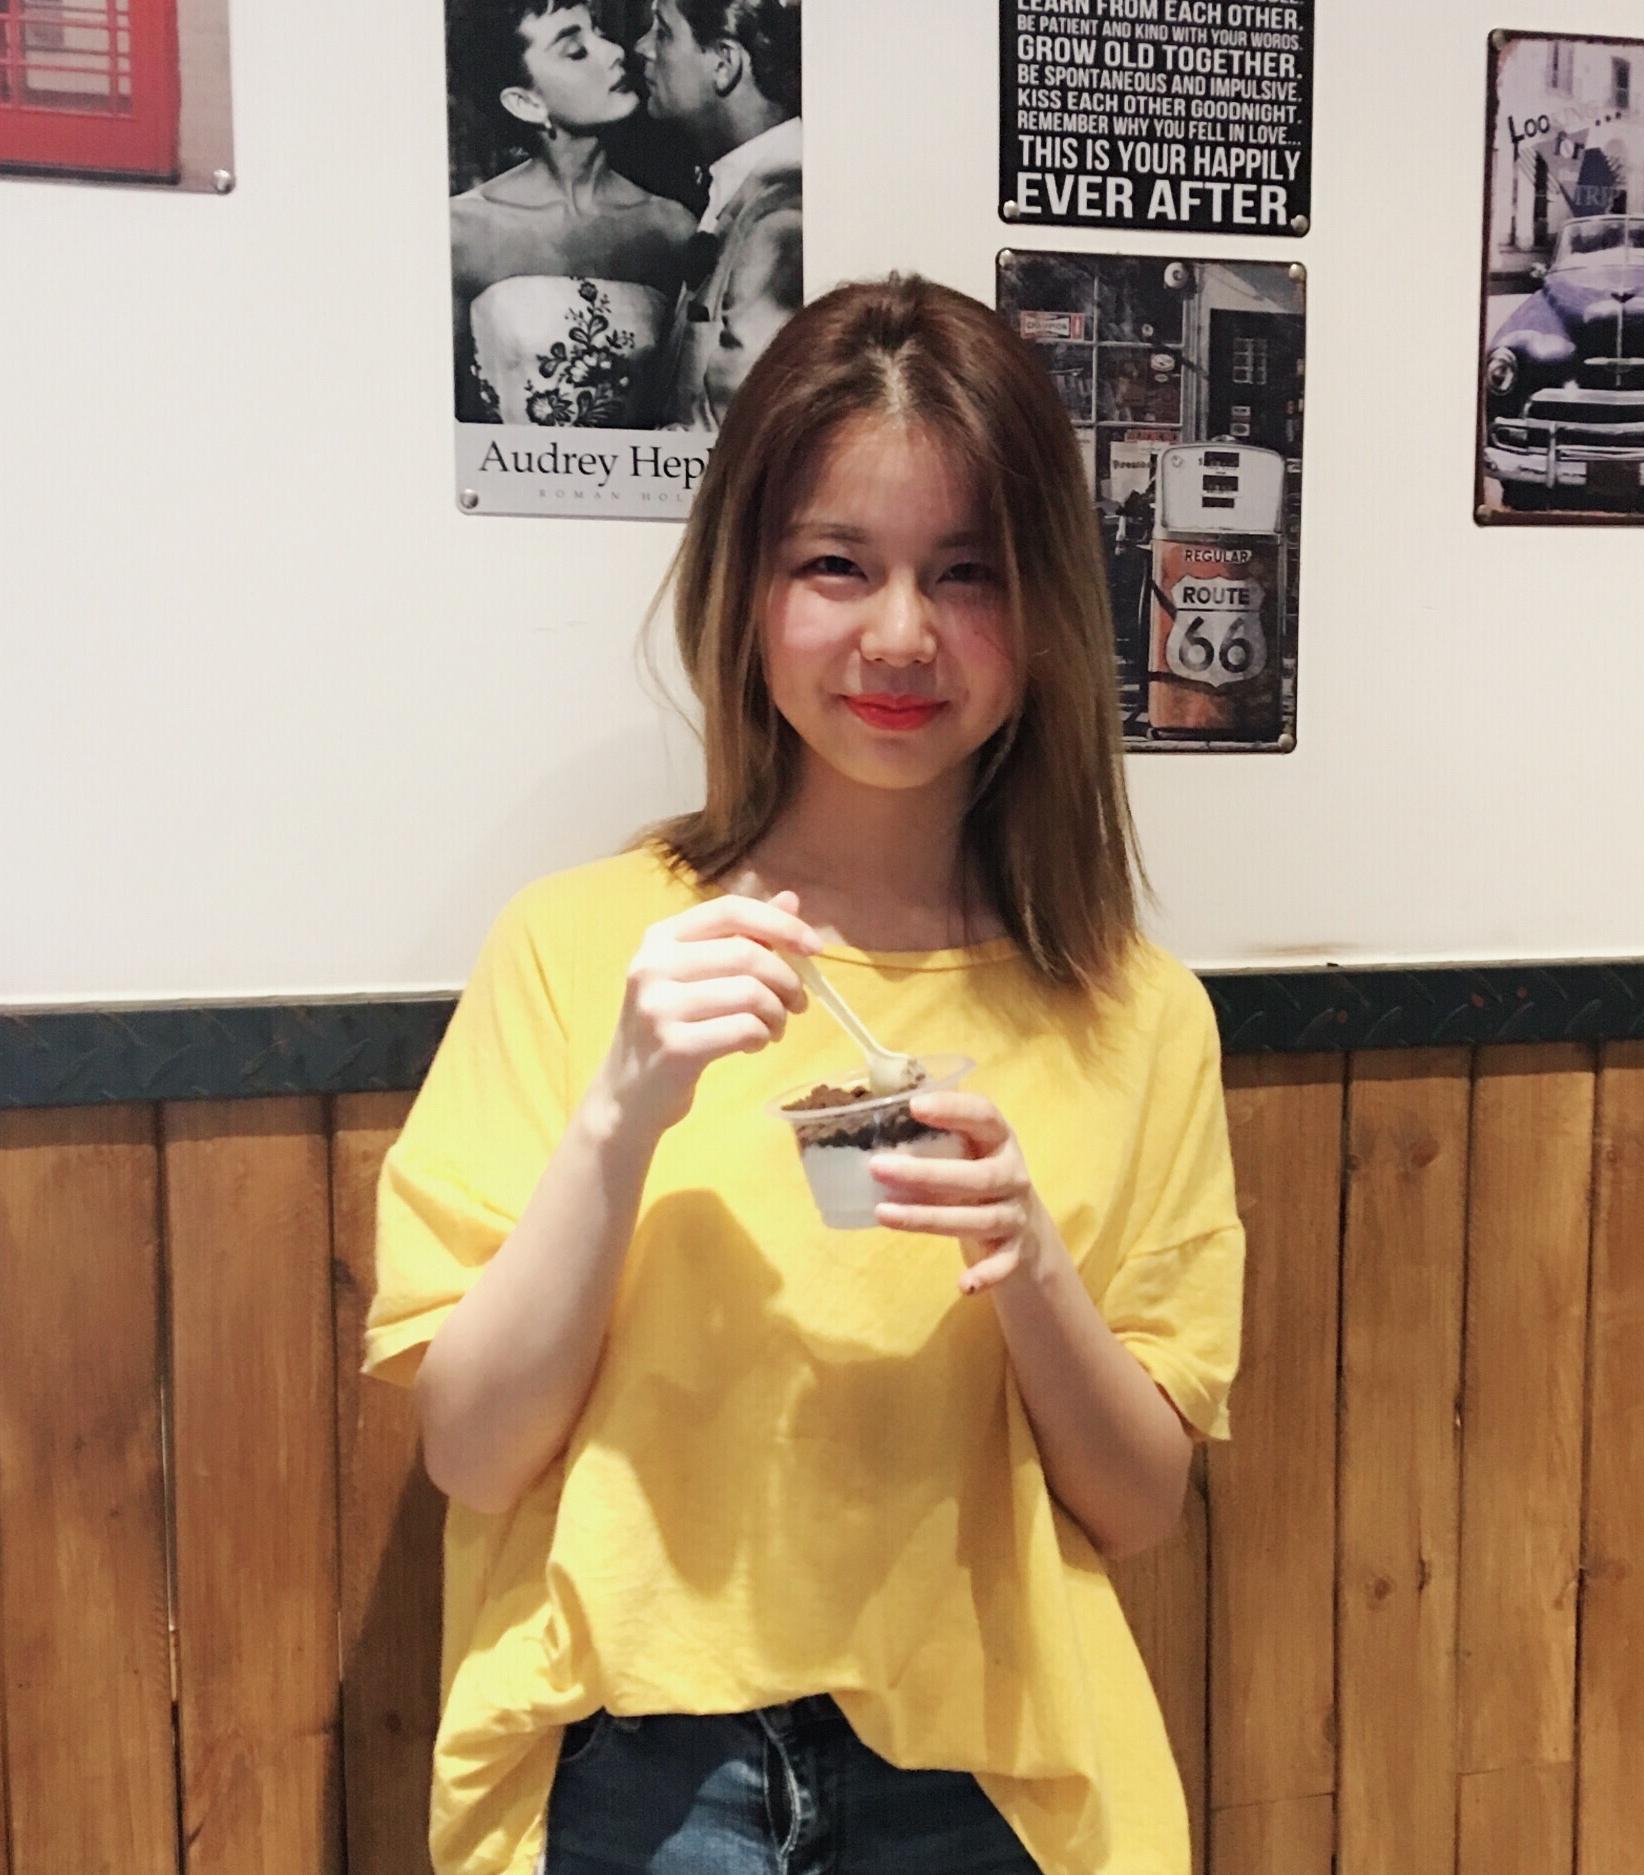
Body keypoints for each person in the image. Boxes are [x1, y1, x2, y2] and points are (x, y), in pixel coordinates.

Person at [365, 275, 1246, 1875]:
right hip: (638, 1776)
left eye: (965, 572)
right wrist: (623, 1108)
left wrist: (1027, 1258)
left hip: (995, 1785)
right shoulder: (582, 947)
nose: (899, 634)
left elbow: (1135, 1507)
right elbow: (470, 1451)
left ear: (1044, 603)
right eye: (835, 563)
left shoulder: (1137, 1012)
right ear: (746, 587)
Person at [448, 0, 694, 427]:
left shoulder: (672, 229)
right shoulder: (461, 232)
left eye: (599, 33)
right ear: (526, 102)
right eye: (575, 51)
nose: (614, 52)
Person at [635, 0, 802, 429]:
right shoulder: (740, 188)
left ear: (723, 64)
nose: (642, 48)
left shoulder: (782, 217)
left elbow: (730, 436)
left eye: (663, 33)